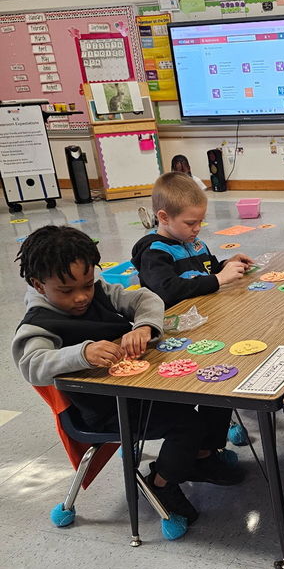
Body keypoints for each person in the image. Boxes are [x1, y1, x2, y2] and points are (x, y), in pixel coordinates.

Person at [12, 226, 243, 535]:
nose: (81, 297)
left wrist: (144, 327)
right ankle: (161, 481)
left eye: (87, 284)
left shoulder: (99, 290)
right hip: (105, 409)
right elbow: (31, 364)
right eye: (67, 291)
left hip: (139, 384)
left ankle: (201, 456)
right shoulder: (39, 323)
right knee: (188, 423)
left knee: (215, 386)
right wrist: (83, 353)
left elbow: (146, 299)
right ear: (38, 284)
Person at [132, 172, 253, 308]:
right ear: (164, 218)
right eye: (190, 223)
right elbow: (168, 291)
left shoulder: (196, 243)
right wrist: (219, 279)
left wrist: (226, 265)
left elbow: (209, 270)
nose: (197, 228)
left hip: (203, 308)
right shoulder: (154, 253)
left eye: (201, 221)